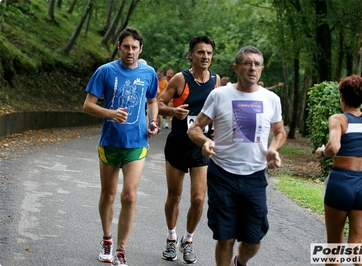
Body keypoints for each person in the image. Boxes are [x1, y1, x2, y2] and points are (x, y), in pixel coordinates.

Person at [188, 45, 287, 266]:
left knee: (254, 241)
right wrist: (206, 142)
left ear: (262, 69)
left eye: (257, 64)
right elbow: (194, 128)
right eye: (247, 63)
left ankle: (239, 262)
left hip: (254, 176)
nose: (252, 68)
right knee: (225, 237)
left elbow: (280, 132)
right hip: (222, 175)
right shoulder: (219, 95)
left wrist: (273, 148)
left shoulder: (271, 99)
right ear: (236, 67)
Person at [82, 27, 159, 266]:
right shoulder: (105, 71)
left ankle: (122, 250)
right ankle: (107, 240)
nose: (130, 51)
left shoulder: (149, 73)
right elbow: (87, 105)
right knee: (108, 194)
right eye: (126, 46)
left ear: (140, 50)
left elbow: (153, 99)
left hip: (137, 143)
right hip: (110, 143)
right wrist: (110, 113)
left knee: (130, 195)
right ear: (119, 46)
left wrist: (154, 122)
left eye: (135, 47)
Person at [158, 34, 221, 264]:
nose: (205, 56)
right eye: (201, 52)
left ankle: (189, 240)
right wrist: (173, 112)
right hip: (178, 142)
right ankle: (171, 238)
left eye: (209, 53)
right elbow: (158, 104)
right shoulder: (179, 79)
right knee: (174, 195)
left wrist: (215, 129)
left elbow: (218, 109)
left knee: (198, 198)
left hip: (201, 146)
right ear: (191, 54)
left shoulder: (216, 80)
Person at [315, 74, 362, 266]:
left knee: (334, 250)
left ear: (342, 97)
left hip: (341, 183)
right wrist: (360, 155)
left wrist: (322, 152)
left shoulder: (338, 119)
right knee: (358, 254)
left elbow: (333, 147)